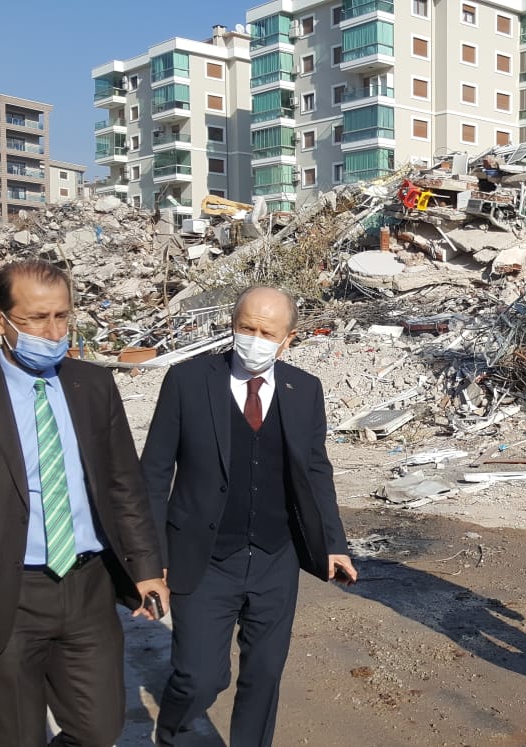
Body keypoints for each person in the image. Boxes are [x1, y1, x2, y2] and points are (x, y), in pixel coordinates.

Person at [0, 260, 169, 747]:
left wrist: (147, 566)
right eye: (37, 319)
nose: (54, 331)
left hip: (87, 588)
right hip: (5, 598)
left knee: (99, 728)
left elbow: (123, 484)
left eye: (63, 317)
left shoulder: (94, 385)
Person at [143, 286, 355, 747]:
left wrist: (334, 543)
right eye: (246, 328)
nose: (254, 339)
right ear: (232, 325)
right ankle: (172, 732)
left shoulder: (305, 391)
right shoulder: (187, 381)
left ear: (288, 339)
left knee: (263, 678)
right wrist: (149, 559)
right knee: (200, 677)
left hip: (276, 560)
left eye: (266, 332)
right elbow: (155, 474)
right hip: (204, 560)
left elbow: (316, 472)